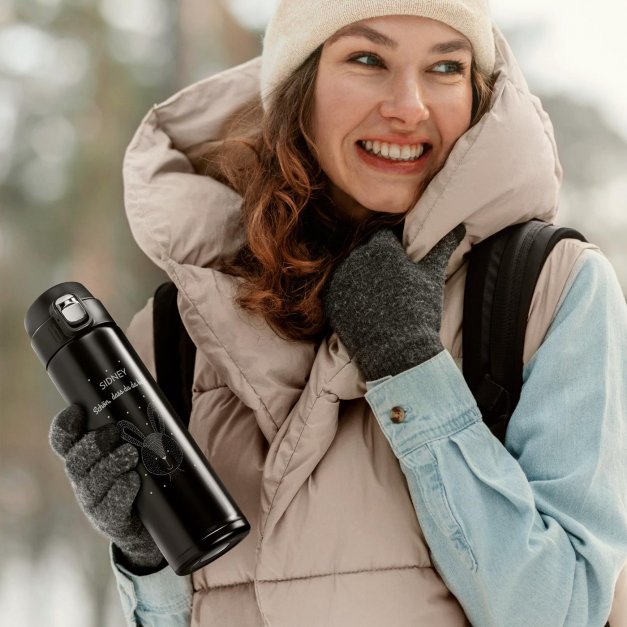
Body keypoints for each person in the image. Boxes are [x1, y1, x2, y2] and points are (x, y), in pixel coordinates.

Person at [48, 1, 627, 625]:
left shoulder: (548, 291)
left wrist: (412, 371)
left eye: (445, 68)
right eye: (368, 59)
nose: (410, 106)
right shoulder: (180, 327)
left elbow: (565, 613)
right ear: (300, 87)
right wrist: (149, 558)